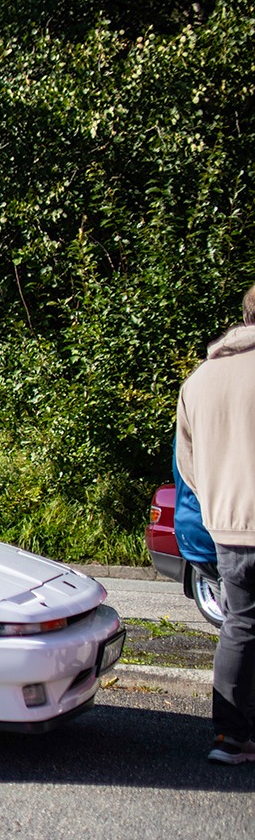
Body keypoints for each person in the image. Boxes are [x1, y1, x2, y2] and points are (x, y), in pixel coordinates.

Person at [175, 282, 255, 765]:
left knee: (241, 626)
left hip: (228, 527)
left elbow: (187, 465)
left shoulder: (201, 379)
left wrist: (218, 504)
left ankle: (230, 739)